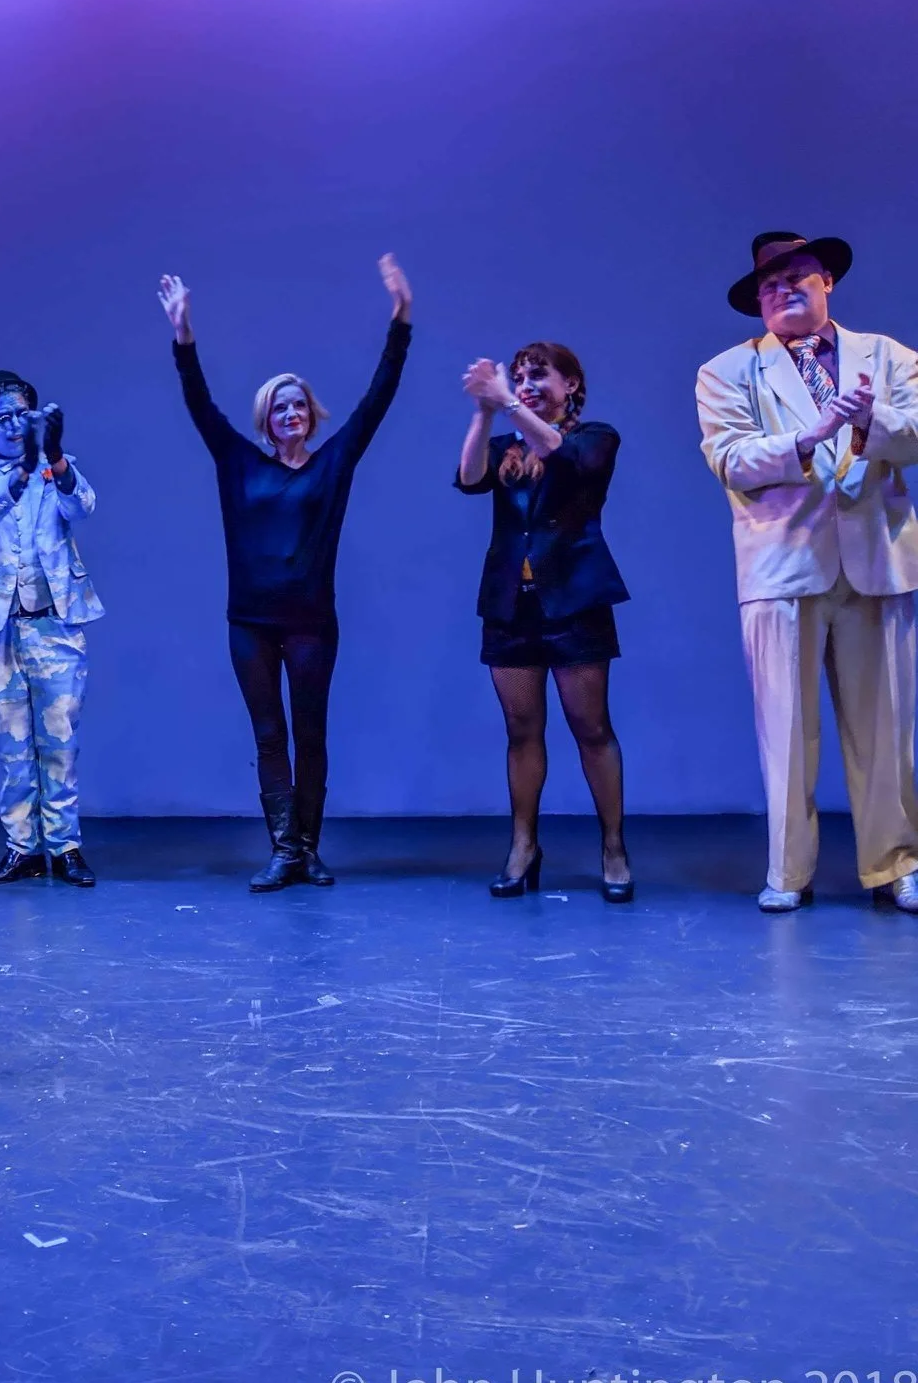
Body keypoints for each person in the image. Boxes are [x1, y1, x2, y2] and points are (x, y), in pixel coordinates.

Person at [158, 256, 412, 889]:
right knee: (269, 737)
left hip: (310, 625)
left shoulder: (334, 463)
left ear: (311, 414)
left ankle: (308, 848)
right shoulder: (237, 462)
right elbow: (199, 403)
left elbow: (378, 399)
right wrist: (183, 332)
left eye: (299, 405)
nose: (291, 414)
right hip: (248, 622)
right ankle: (284, 850)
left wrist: (401, 320)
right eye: (280, 407)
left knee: (311, 736)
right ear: (266, 420)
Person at [696, 232, 918, 914]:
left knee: (887, 727)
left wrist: (867, 418)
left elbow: (914, 430)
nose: (782, 289)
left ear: (827, 281)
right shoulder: (728, 370)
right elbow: (730, 457)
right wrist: (810, 433)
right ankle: (788, 872)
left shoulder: (887, 356)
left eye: (796, 276)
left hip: (876, 557)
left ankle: (896, 864)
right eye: (768, 284)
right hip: (782, 562)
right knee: (785, 730)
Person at [456, 344, 633, 902]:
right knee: (521, 732)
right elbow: (468, 477)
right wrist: (485, 410)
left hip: (574, 604)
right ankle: (523, 845)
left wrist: (507, 398)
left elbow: (563, 455)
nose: (529, 384)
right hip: (513, 606)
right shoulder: (507, 445)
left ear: (572, 384)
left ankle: (613, 847)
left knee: (591, 729)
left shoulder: (594, 436)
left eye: (540, 376)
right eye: (522, 376)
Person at [0, 377, 103, 887]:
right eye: (4, 417)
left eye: (24, 415)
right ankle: (23, 848)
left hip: (54, 624)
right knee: (13, 747)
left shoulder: (57, 468)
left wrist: (53, 459)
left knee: (59, 741)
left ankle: (66, 846)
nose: (16, 426)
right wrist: (17, 477)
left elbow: (83, 507)